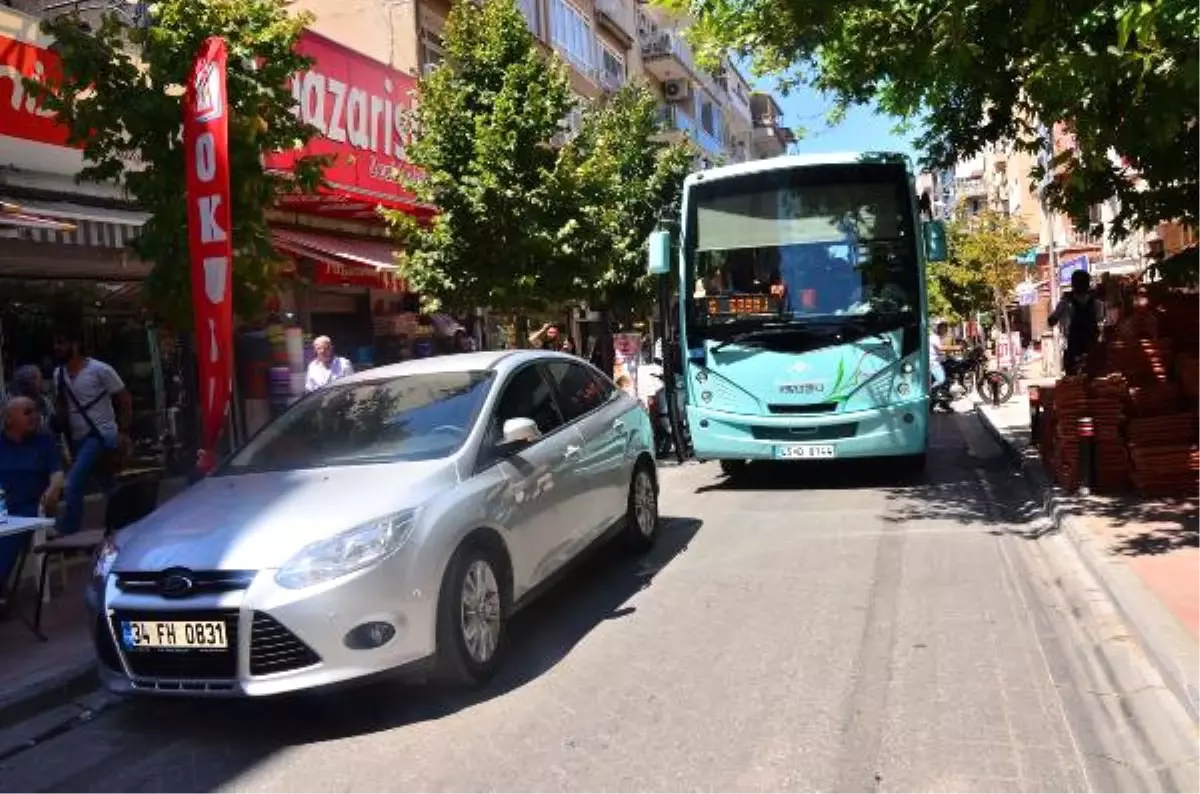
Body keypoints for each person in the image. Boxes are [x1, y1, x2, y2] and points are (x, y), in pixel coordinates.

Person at [52, 328, 132, 537]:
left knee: (73, 483)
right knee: (106, 483)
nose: (58, 348)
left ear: (75, 345)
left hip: (101, 434)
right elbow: (62, 405)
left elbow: (124, 398)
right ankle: (128, 519)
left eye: (62, 343)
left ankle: (68, 532)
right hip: (78, 437)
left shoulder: (100, 369)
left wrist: (123, 430)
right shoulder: (58, 374)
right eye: (56, 344)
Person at [0, 397, 65, 603]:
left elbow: (57, 474)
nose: (34, 416)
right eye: (27, 412)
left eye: (35, 411)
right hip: (2, 505)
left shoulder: (43, 442)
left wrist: (53, 489)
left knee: (8, 533)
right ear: (9, 419)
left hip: (30, 507)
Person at [1048, 270, 1104, 375]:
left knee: (1073, 379)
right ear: (1088, 284)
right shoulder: (1097, 303)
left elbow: (1052, 320)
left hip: (1074, 347)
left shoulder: (1065, 302)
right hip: (1092, 346)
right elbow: (1100, 321)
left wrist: (1055, 319)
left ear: (1073, 284)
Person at [929, 321, 949, 390]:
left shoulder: (939, 338)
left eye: (946, 328)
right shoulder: (934, 337)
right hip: (933, 362)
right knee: (941, 380)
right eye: (943, 328)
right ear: (938, 329)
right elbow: (940, 348)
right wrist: (957, 347)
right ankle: (929, 391)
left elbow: (940, 351)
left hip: (938, 361)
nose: (946, 330)